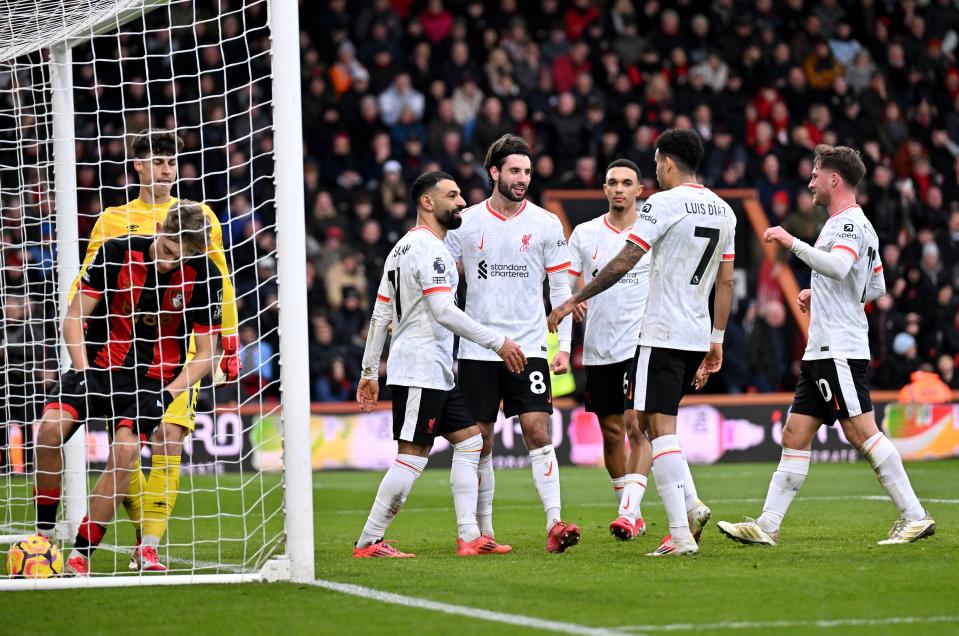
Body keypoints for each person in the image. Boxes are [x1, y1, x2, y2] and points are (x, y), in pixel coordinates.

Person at [717, 144, 935, 546]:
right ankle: (767, 525)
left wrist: (790, 241)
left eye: (816, 174)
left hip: (839, 348)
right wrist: (822, 296)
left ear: (834, 179)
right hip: (822, 350)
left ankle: (915, 515)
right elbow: (874, 285)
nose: (810, 181)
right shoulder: (851, 224)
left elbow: (838, 266)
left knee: (861, 432)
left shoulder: (848, 224)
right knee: (795, 434)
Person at [549, 129, 737, 556]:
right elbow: (725, 280)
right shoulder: (725, 210)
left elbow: (627, 257)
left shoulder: (662, 204)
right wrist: (718, 338)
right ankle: (687, 508)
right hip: (696, 331)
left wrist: (576, 298)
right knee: (651, 425)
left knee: (657, 428)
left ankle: (680, 533)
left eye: (655, 163)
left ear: (666, 163)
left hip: (660, 333)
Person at [69, 129, 240, 572]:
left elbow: (219, 280)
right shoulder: (112, 220)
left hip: (180, 350)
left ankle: (148, 546)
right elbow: (87, 280)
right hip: (121, 356)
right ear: (139, 166)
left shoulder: (198, 215)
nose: (166, 171)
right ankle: (131, 535)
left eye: (171, 163)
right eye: (158, 162)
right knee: (125, 449)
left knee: (169, 438)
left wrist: (229, 336)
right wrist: (78, 336)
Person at [34, 202, 224, 576]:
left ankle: (81, 556)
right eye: (168, 250)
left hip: (151, 381)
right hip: (98, 366)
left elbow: (205, 356)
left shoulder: (205, 275)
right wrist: (83, 368)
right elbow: (74, 318)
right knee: (49, 431)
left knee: (124, 453)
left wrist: (169, 393)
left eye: (181, 256)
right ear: (159, 229)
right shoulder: (116, 252)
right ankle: (43, 538)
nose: (170, 262)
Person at [353, 171, 525, 558]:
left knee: (471, 441)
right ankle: (369, 540)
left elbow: (382, 313)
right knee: (412, 454)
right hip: (419, 369)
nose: (461, 201)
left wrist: (369, 372)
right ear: (427, 202)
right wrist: (497, 342)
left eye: (461, 194)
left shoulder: (400, 249)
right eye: (452, 195)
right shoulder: (430, 251)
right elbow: (443, 311)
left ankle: (469, 537)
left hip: (435, 372)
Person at [445, 134, 581, 553]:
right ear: (494, 173)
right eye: (515, 171)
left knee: (537, 428)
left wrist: (563, 346)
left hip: (530, 348)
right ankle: (481, 532)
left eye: (526, 171)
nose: (523, 178)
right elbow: (444, 282)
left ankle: (555, 524)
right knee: (479, 439)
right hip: (477, 349)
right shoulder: (465, 222)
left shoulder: (544, 223)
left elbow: (562, 288)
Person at [566, 158, 652, 541]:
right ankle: (628, 507)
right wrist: (573, 297)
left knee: (637, 425)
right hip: (600, 346)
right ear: (604, 190)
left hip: (642, 341)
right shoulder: (585, 234)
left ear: (639, 190)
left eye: (626, 183)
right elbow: (563, 282)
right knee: (612, 431)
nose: (619, 189)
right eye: (612, 183)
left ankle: (629, 512)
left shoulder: (653, 232)